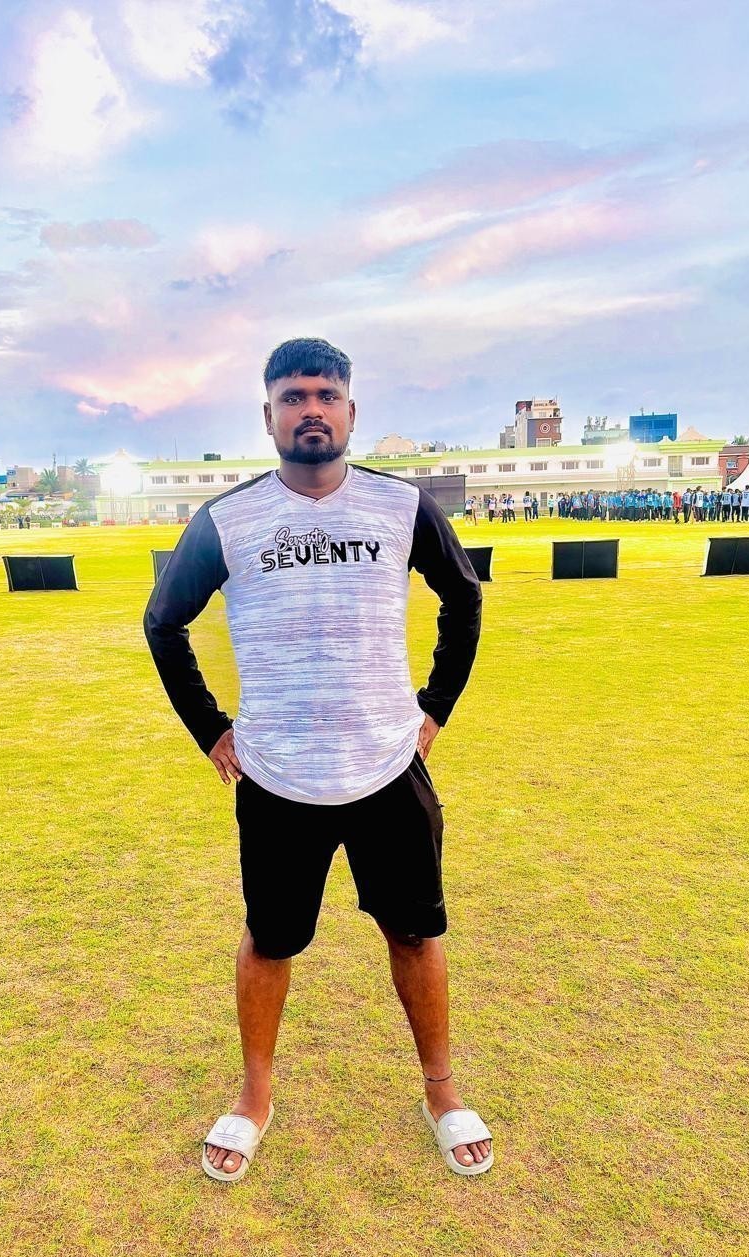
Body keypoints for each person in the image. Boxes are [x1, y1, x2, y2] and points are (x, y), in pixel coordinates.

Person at [143, 337, 492, 1183]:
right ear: (267, 416)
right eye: (293, 398)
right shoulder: (227, 520)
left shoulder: (401, 506)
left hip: (387, 766)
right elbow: (163, 622)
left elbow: (463, 598)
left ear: (350, 411)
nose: (311, 411)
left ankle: (442, 1091)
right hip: (277, 774)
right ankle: (254, 1097)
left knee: (416, 932)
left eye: (326, 396)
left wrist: (435, 710)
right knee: (271, 940)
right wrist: (211, 729)